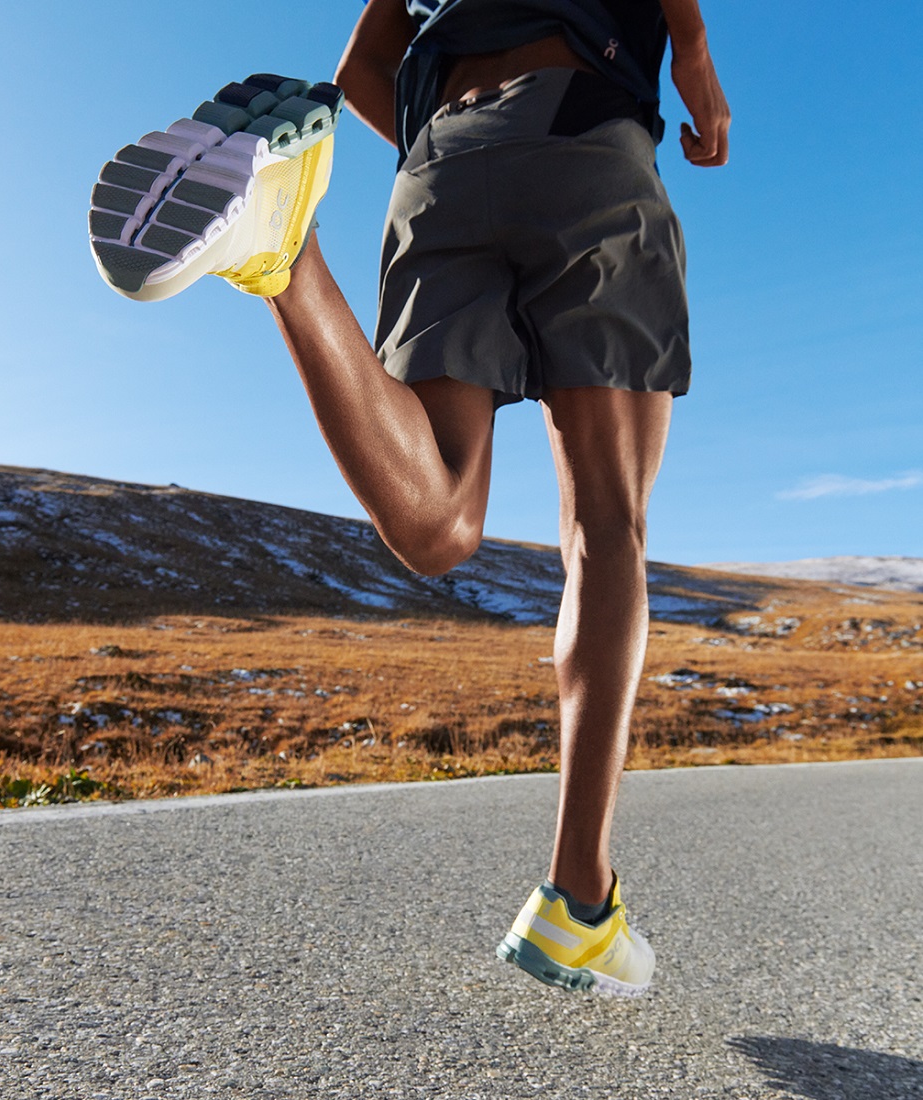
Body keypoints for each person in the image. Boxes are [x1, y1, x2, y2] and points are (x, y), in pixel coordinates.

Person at [88, 0, 730, 996]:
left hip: (435, 165)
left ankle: (278, 254)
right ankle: (576, 898)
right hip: (582, 130)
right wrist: (691, 59)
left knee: (434, 521)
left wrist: (456, 145)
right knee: (606, 528)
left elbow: (358, 66)